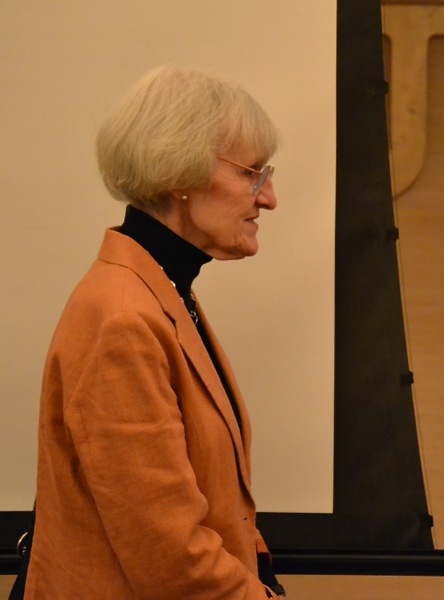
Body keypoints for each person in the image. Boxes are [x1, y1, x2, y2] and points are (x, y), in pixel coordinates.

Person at [26, 65, 286, 598]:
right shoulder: (124, 317)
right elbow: (169, 556)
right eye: (251, 174)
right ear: (178, 174)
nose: (268, 198)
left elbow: (207, 496)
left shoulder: (160, 290)